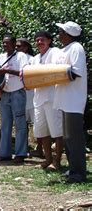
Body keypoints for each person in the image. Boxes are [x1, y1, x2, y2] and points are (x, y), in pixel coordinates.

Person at [53, 21, 87, 183]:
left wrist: (53, 76)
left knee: (75, 138)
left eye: (60, 31)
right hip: (64, 99)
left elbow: (76, 72)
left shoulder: (76, 48)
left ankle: (79, 173)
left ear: (67, 34)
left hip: (73, 100)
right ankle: (72, 168)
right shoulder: (64, 50)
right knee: (67, 137)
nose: (58, 34)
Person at [0, 34, 30, 163]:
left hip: (18, 92)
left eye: (7, 43)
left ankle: (20, 153)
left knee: (20, 124)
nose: (4, 45)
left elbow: (24, 73)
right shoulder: (0, 57)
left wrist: (7, 72)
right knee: (5, 125)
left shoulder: (21, 56)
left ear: (14, 44)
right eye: (3, 43)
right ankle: (4, 153)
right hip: (5, 94)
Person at [30, 31, 63, 169]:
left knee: (57, 132)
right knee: (42, 131)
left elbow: (58, 69)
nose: (39, 42)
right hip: (38, 99)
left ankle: (57, 161)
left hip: (52, 98)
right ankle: (48, 159)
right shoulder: (34, 59)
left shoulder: (55, 52)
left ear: (49, 41)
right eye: (37, 40)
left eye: (42, 40)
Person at [16, 38, 43, 158]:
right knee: (22, 124)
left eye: (19, 46)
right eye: (16, 46)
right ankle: (24, 148)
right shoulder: (14, 59)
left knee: (37, 124)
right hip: (20, 96)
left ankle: (40, 148)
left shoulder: (32, 60)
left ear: (26, 48)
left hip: (32, 96)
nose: (17, 48)